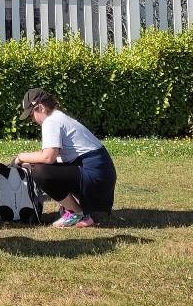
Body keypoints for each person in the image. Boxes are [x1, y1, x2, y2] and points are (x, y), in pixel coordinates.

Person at [13, 88, 117, 228]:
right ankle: (79, 208)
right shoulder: (59, 117)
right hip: (101, 175)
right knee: (40, 167)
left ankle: (76, 212)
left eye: (32, 115)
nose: (32, 120)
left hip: (95, 175)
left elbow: (48, 157)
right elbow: (54, 158)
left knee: (40, 172)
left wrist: (20, 157)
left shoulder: (51, 121)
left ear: (41, 108)